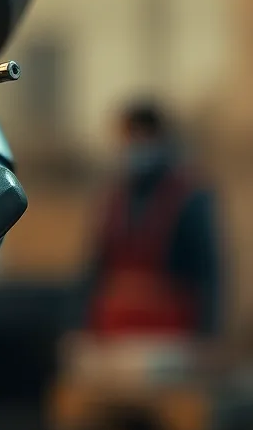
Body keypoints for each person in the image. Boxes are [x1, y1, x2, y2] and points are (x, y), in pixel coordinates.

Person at [83, 101, 221, 341]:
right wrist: (84, 325)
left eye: (136, 137)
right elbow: (95, 268)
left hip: (172, 337)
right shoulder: (116, 198)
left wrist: (208, 333)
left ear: (157, 138)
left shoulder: (188, 196)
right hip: (117, 332)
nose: (129, 147)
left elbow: (207, 274)